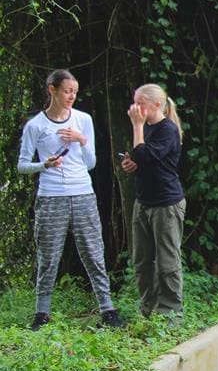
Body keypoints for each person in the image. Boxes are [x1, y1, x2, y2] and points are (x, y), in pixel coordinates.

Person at [17, 69, 124, 330]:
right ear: (52, 90)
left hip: (83, 193)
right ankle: (42, 314)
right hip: (51, 196)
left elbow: (91, 163)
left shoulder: (83, 120)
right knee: (48, 255)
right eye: (67, 91)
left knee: (93, 251)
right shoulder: (36, 126)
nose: (71, 96)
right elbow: (22, 166)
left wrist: (81, 139)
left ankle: (107, 309)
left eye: (74, 92)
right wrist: (45, 164)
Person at [120, 84, 186, 317]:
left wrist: (137, 127)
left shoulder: (167, 129)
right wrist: (130, 164)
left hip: (166, 204)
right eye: (134, 102)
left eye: (140, 103)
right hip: (143, 201)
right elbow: (142, 159)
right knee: (141, 260)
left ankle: (170, 313)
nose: (135, 108)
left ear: (157, 105)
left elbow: (145, 154)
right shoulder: (145, 127)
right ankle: (148, 307)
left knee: (167, 262)